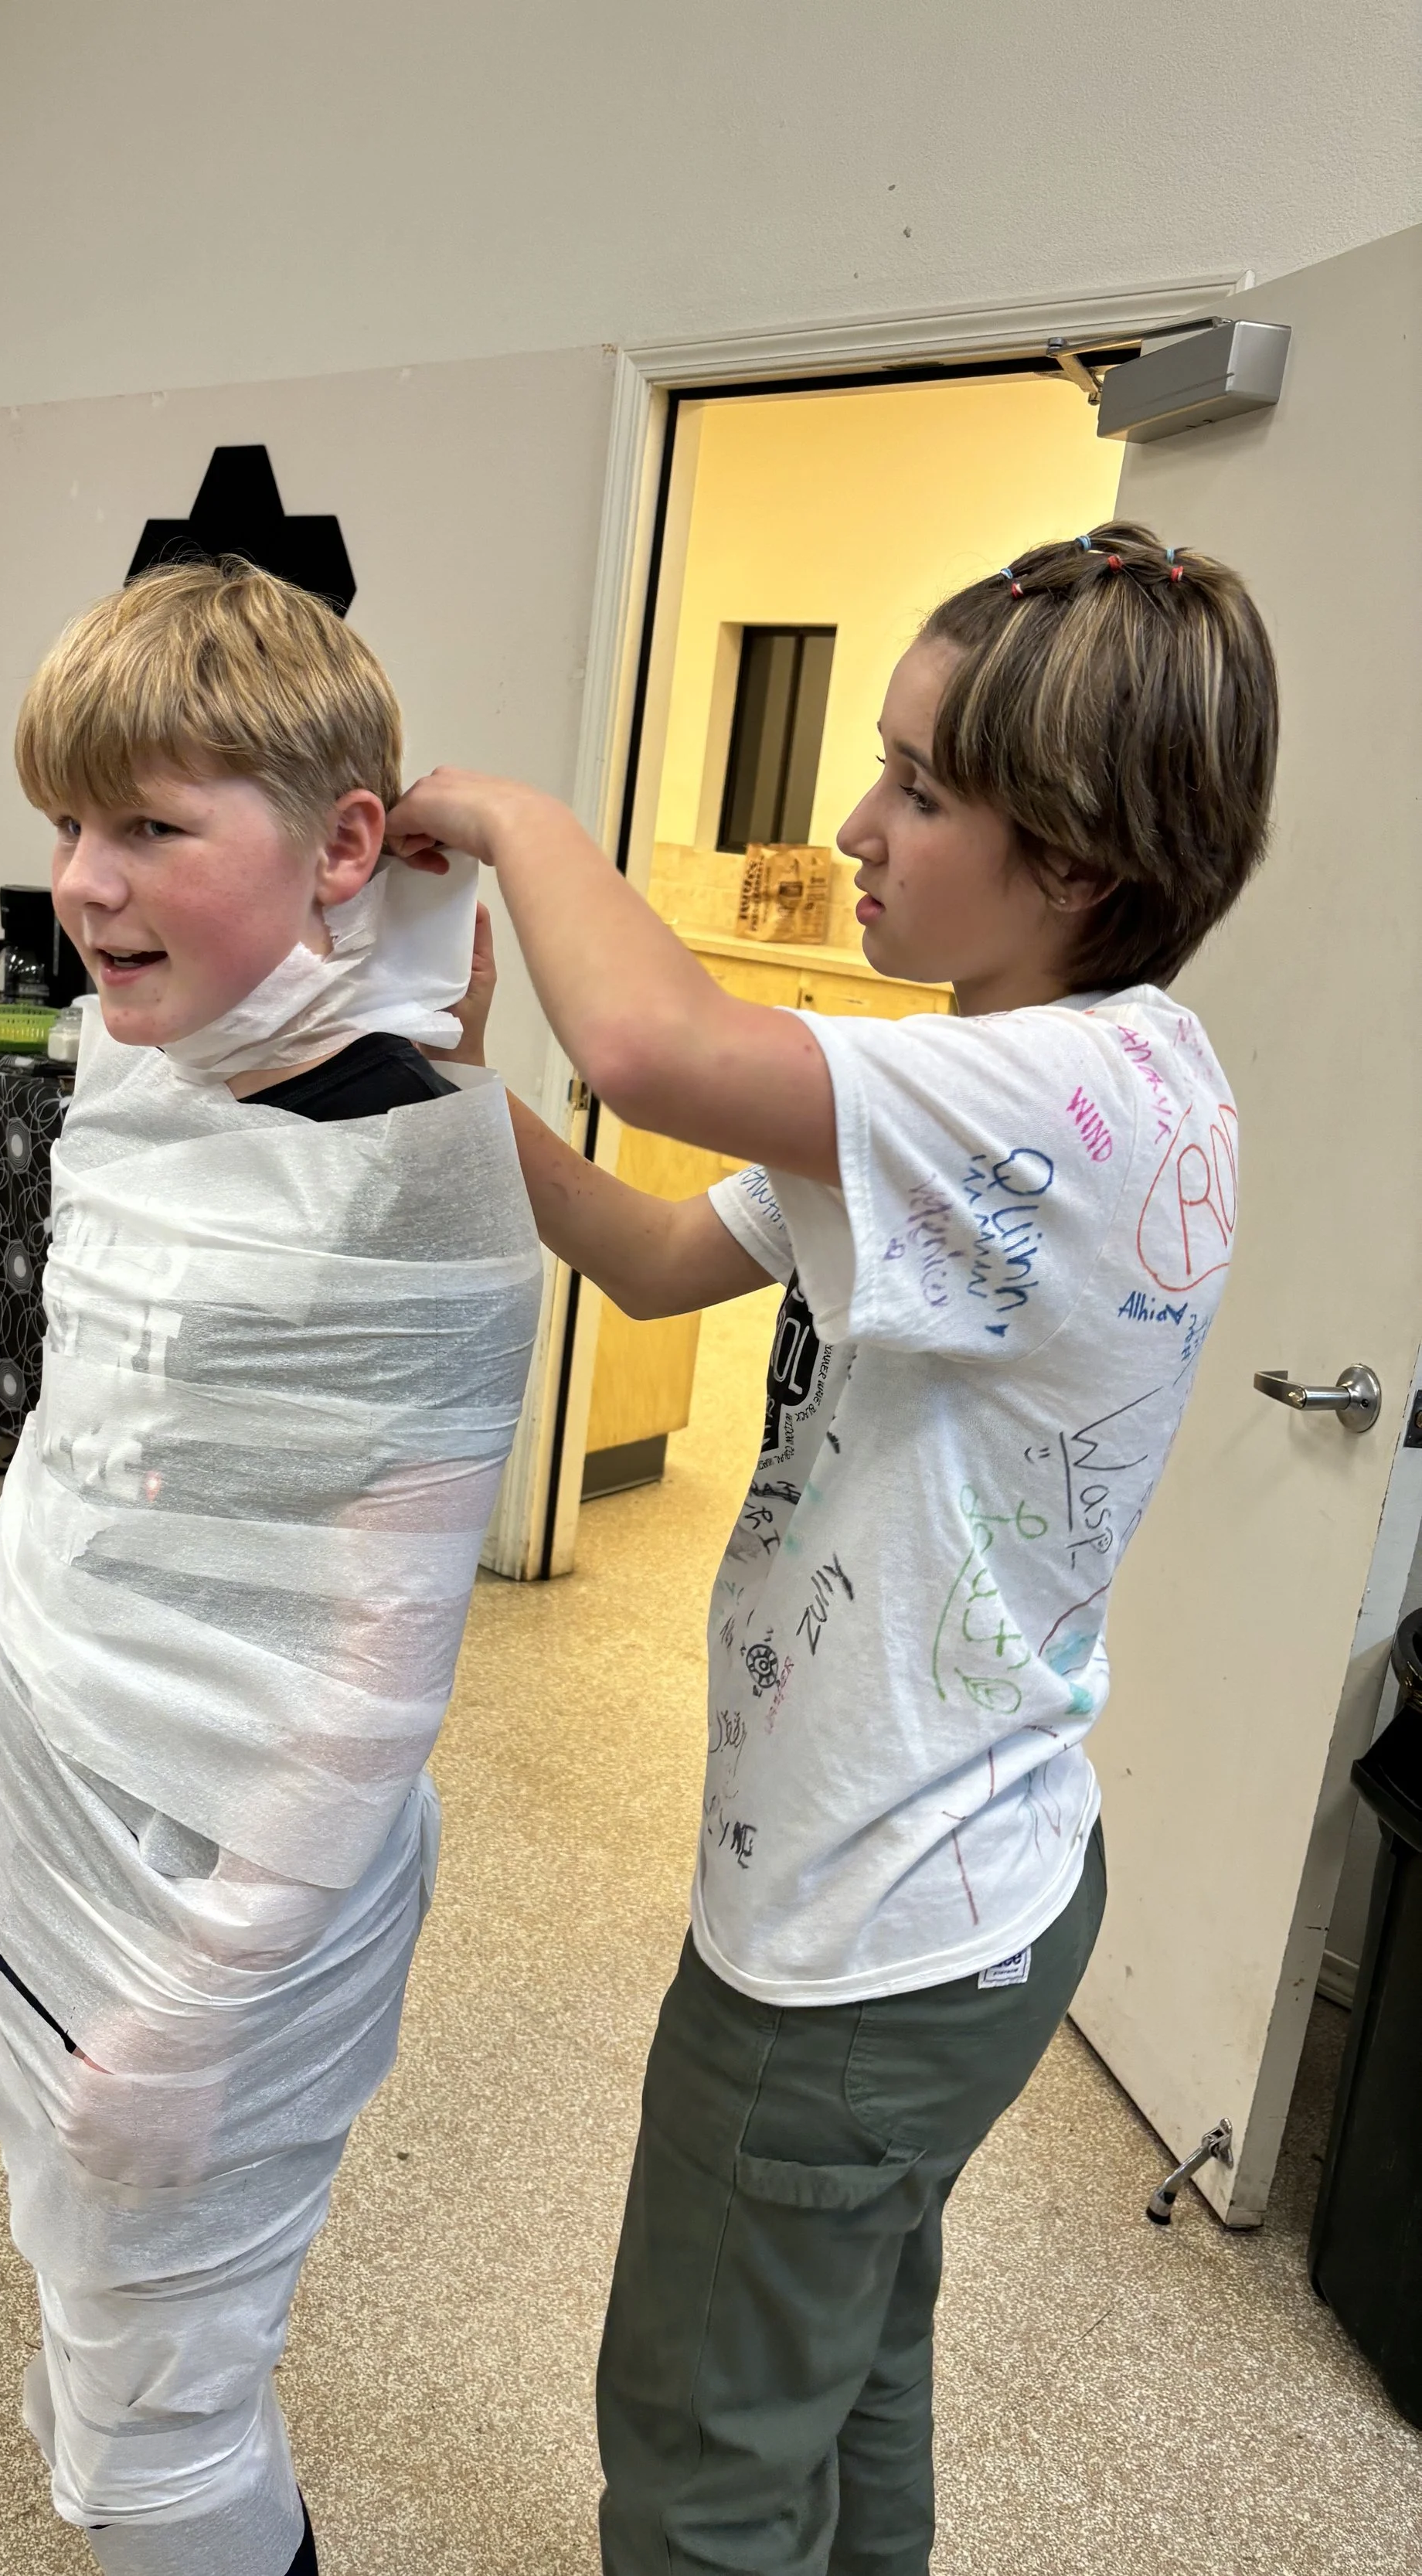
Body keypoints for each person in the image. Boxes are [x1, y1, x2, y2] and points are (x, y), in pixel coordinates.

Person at [388, 523, 1278, 2576]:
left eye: (922, 786)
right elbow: (640, 1249)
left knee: (702, 2454)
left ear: (1073, 856)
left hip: (859, 1949)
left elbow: (650, 1051)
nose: (855, 825)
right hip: (979, 1886)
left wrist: (517, 813)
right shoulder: (1018, 1096)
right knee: (850, 2351)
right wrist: (449, 1085)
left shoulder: (1040, 1103)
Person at [0, 560, 542, 2576]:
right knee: (88, 2258)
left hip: (238, 1877)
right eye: (67, 823)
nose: (82, 885)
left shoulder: (424, 1173)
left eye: (146, 827)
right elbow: (93, 1431)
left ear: (343, 846)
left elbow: (374, 1680)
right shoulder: (149, 1046)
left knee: (172, 2397)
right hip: (56, 1758)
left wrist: (201, 2005)